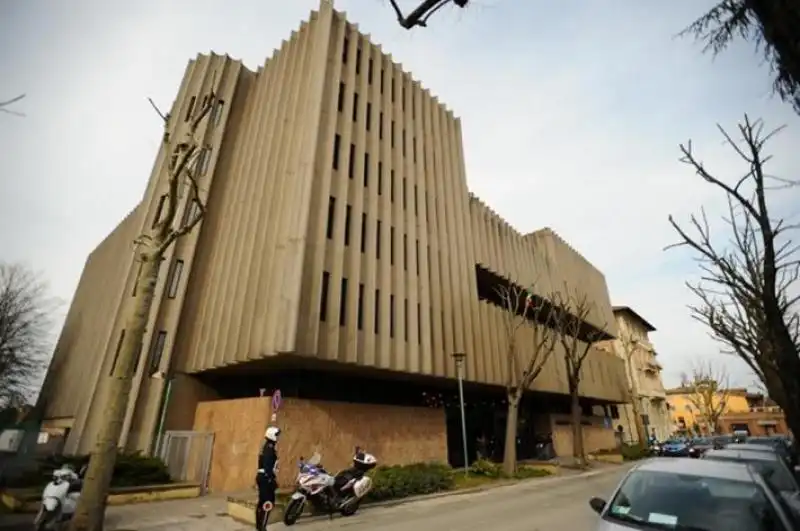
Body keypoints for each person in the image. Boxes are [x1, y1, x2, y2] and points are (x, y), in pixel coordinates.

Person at [255, 426, 281, 531]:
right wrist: (271, 479)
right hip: (266, 478)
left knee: (262, 502)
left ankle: (259, 526)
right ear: (272, 435)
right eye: (276, 435)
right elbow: (268, 466)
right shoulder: (269, 448)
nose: (278, 438)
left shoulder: (267, 446)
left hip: (262, 477)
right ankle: (262, 527)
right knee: (268, 502)